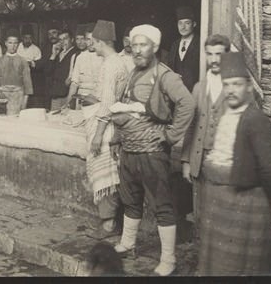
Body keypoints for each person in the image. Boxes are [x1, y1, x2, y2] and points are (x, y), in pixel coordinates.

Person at [110, 24, 194, 276]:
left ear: (155, 47)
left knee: (162, 206)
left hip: (152, 153)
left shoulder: (165, 75)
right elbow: (123, 107)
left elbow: (187, 104)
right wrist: (116, 138)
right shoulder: (133, 72)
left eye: (143, 45)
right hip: (129, 150)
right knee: (130, 200)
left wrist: (170, 136)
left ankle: (168, 259)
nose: (137, 50)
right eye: (134, 45)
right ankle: (128, 244)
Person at [195, 52, 271, 276]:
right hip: (220, 201)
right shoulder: (227, 115)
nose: (231, 90)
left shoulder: (256, 120)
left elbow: (270, 171)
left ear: (249, 88)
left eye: (237, 84)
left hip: (245, 203)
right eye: (227, 85)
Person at [84, 20, 130, 233]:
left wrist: (98, 136)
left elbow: (108, 104)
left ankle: (108, 223)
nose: (90, 45)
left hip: (108, 126)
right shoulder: (114, 62)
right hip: (109, 121)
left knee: (106, 174)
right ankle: (108, 220)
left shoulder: (112, 65)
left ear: (100, 42)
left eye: (92, 41)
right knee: (108, 173)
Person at [181, 34, 231, 222]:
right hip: (199, 159)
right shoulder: (199, 88)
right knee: (200, 212)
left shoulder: (236, 87)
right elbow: (191, 126)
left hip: (225, 163)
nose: (214, 60)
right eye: (209, 54)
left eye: (219, 54)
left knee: (222, 213)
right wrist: (186, 160)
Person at [0, 29, 33, 114]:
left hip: (18, 97)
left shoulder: (23, 61)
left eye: (15, 43)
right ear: (5, 43)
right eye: (10, 43)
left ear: (18, 44)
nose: (13, 46)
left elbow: (28, 85)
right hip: (2, 97)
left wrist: (24, 103)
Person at [65, 23, 103, 108]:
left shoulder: (103, 57)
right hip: (81, 100)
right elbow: (74, 84)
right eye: (88, 39)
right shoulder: (80, 57)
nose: (90, 43)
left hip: (98, 99)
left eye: (93, 40)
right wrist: (67, 103)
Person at [166, 6, 200, 92]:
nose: (183, 27)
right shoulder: (175, 45)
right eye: (180, 23)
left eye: (187, 23)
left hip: (194, 92)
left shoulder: (200, 43)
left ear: (194, 24)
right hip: (176, 93)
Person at [47, 29, 78, 111]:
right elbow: (48, 72)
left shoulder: (76, 53)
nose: (63, 42)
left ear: (72, 39)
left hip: (67, 95)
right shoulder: (58, 53)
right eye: (60, 39)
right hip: (55, 94)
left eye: (65, 38)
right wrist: (53, 55)